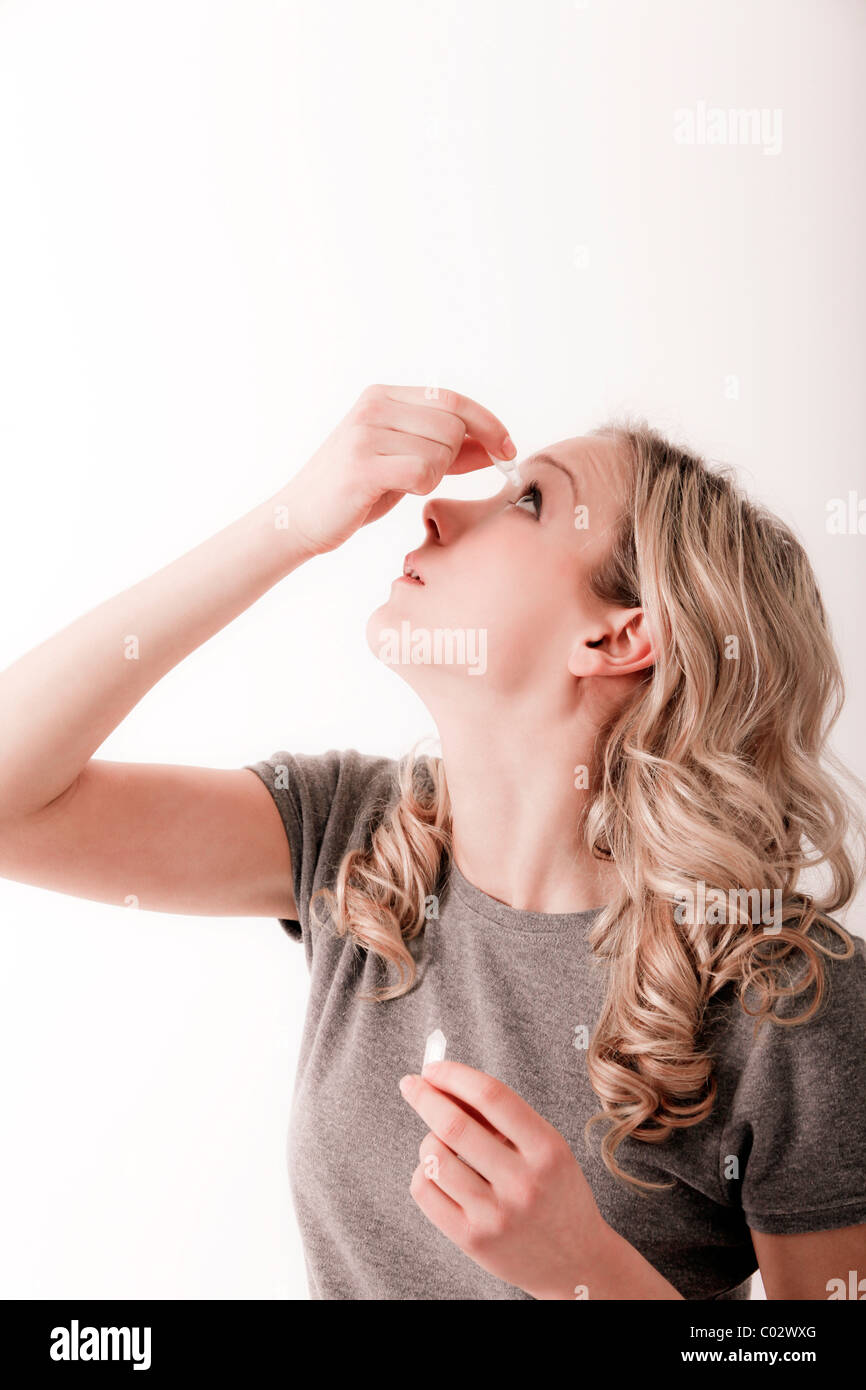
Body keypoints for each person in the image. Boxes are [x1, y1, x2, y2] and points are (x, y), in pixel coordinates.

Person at [1, 384, 864, 1301]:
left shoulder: (785, 999)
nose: (439, 507)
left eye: (527, 500)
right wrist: (291, 522)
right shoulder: (356, 837)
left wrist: (589, 1274)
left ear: (618, 635)